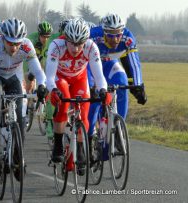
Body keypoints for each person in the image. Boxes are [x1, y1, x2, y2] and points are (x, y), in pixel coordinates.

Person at [0, 18, 47, 168]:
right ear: (2, 38)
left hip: (14, 76)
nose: (14, 48)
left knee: (21, 114)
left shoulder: (27, 46)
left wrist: (41, 85)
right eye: (10, 43)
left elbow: (38, 71)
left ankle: (18, 153)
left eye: (17, 43)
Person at [45, 19, 108, 170]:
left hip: (80, 78)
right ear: (65, 39)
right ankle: (58, 144)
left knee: (84, 114)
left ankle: (80, 149)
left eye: (80, 43)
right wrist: (53, 90)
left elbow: (99, 76)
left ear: (85, 41)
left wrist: (103, 91)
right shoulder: (56, 46)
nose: (76, 48)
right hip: (61, 78)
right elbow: (49, 76)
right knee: (64, 103)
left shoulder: (91, 47)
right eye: (72, 43)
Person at [87, 13, 147, 142]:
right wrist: (91, 85)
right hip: (92, 65)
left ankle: (119, 128)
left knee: (122, 83)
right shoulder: (92, 36)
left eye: (118, 34)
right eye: (110, 35)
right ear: (103, 32)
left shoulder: (128, 37)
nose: (115, 39)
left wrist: (138, 85)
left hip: (110, 64)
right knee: (95, 96)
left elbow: (134, 63)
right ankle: (88, 134)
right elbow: (84, 64)